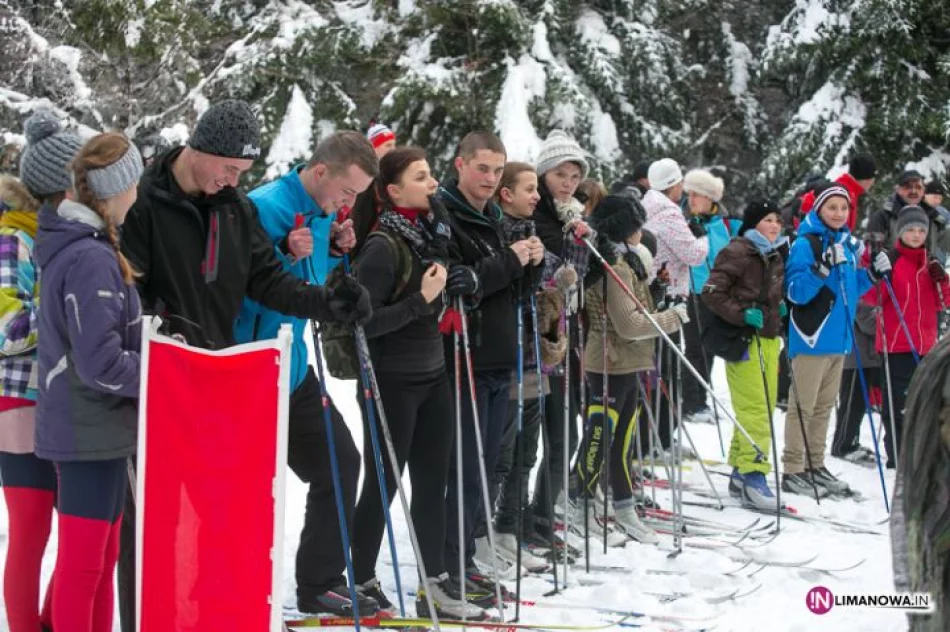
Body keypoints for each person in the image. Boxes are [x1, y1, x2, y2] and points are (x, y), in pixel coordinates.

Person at [117, 100, 372, 630]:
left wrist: (327, 302)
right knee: (154, 516)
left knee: (220, 511)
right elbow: (127, 287)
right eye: (227, 169)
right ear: (200, 149)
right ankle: (145, 615)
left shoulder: (234, 209)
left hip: (221, 377)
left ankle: (211, 611)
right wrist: (156, 327)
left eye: (240, 173)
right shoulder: (144, 203)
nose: (232, 181)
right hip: (162, 378)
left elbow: (267, 281)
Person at [232, 131, 378, 616]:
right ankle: (236, 588)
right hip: (250, 370)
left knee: (339, 462)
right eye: (347, 192)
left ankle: (319, 584)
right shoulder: (262, 207)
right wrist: (282, 255)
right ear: (321, 172)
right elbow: (241, 287)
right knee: (251, 489)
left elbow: (310, 286)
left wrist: (333, 251)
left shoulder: (322, 213)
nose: (350, 204)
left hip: (293, 371)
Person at [349, 147, 486, 620]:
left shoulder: (431, 235)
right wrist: (422, 300)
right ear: (393, 191)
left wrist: (459, 279)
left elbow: (443, 283)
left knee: (433, 485)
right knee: (383, 483)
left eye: (431, 175)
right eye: (421, 177)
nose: (433, 184)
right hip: (391, 382)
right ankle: (360, 574)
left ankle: (437, 582)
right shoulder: (382, 246)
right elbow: (362, 324)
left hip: (433, 377)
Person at [35, 132, 144, 632]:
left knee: (99, 565)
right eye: (135, 183)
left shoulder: (91, 247)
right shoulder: (89, 258)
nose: (138, 195)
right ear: (116, 188)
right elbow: (100, 362)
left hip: (97, 430)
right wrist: (158, 373)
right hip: (85, 433)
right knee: (83, 569)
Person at [437, 131, 542, 604]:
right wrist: (509, 261)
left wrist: (531, 265)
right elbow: (464, 285)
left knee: (486, 468)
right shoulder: (447, 214)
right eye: (482, 168)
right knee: (464, 468)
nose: (490, 178)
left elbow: (508, 289)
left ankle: (465, 559)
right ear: (460, 164)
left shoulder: (493, 218)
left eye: (497, 170)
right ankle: (449, 565)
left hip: (500, 359)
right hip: (466, 360)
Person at [0, 110, 82, 632]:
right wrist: (62, 315)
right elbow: (7, 326)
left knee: (78, 531)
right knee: (31, 530)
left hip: (65, 399)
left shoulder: (70, 235)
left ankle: (52, 622)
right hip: (21, 401)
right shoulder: (14, 239)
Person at [576, 194, 686, 543]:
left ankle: (621, 507)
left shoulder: (630, 263)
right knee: (601, 439)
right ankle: (583, 502)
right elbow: (628, 324)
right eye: (638, 226)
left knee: (621, 442)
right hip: (609, 362)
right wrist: (672, 319)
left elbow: (637, 308)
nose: (642, 232)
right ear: (625, 229)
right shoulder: (614, 268)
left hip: (628, 362)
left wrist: (658, 289)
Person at [782, 184, 891, 496]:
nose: (839, 214)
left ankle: (814, 465)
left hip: (839, 339)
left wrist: (871, 275)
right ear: (819, 210)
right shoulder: (806, 243)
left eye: (844, 209)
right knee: (802, 406)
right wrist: (822, 268)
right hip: (812, 337)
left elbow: (850, 292)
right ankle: (792, 469)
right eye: (832, 207)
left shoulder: (847, 244)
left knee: (824, 406)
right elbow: (795, 293)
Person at [490, 161, 561, 573]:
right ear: (506, 194)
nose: (537, 196)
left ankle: (509, 528)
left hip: (533, 355)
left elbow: (557, 276)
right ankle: (486, 532)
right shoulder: (497, 232)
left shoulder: (534, 232)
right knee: (503, 451)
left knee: (525, 452)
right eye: (529, 189)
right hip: (506, 358)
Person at [701, 200, 786, 509]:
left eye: (778, 219)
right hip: (745, 339)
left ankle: (740, 468)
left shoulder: (773, 252)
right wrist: (742, 314)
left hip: (767, 339)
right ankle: (754, 472)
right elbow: (711, 291)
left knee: (763, 406)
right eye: (767, 219)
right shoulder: (740, 251)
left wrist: (778, 309)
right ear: (753, 224)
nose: (775, 225)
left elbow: (765, 293)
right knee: (756, 410)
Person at [528, 130, 591, 547]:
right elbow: (543, 270)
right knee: (539, 434)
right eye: (560, 174)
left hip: (563, 332)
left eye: (574, 176)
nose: (568, 182)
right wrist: (562, 263)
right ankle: (522, 522)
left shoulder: (572, 215)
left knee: (565, 430)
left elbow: (580, 276)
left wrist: (581, 241)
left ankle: (541, 514)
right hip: (536, 332)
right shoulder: (537, 215)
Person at [642, 158, 708, 452]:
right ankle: (660, 438)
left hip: (654, 295)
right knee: (666, 370)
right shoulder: (668, 213)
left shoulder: (649, 205)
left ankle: (658, 435)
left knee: (660, 368)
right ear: (674, 184)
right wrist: (703, 236)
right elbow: (694, 255)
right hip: (666, 298)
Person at [876, 206, 950, 468]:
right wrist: (878, 276)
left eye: (921, 230)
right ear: (901, 232)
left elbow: (944, 302)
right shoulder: (892, 259)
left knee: (924, 400)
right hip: (897, 343)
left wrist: (942, 280)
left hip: (925, 344)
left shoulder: (930, 261)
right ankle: (896, 453)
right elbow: (873, 299)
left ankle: (921, 451)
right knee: (897, 403)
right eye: (911, 230)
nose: (916, 235)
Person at [680, 169, 730, 424]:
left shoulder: (721, 225)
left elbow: (723, 258)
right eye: (689, 194)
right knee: (695, 348)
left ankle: (700, 398)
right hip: (692, 292)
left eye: (697, 195)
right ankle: (691, 402)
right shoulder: (685, 221)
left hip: (715, 294)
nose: (692, 200)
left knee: (708, 348)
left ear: (711, 198)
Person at [868, 169, 950, 258]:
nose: (913, 191)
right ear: (898, 190)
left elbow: (945, 240)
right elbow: (872, 253)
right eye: (908, 187)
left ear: (923, 191)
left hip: (924, 270)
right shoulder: (883, 216)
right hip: (893, 270)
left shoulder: (933, 217)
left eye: (918, 187)